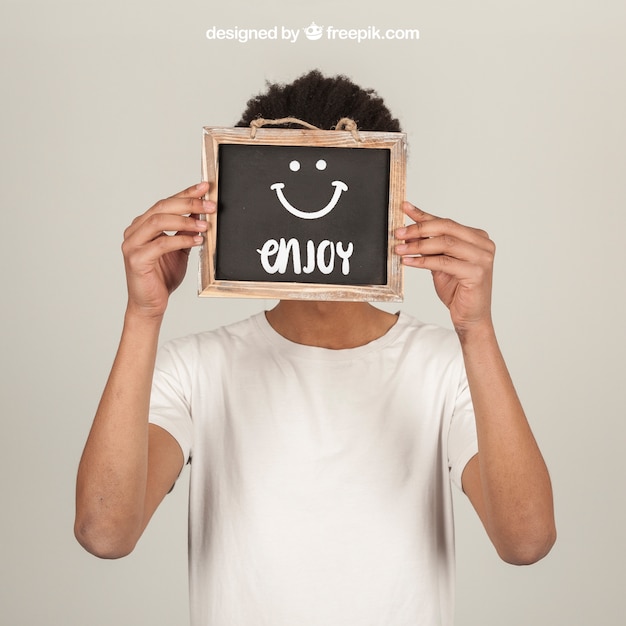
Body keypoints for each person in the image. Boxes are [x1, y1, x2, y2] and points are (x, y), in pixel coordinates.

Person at [75, 70, 556, 626]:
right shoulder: (194, 369)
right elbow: (105, 531)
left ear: (386, 194)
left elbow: (526, 541)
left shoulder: (447, 367)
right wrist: (143, 315)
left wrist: (477, 330)